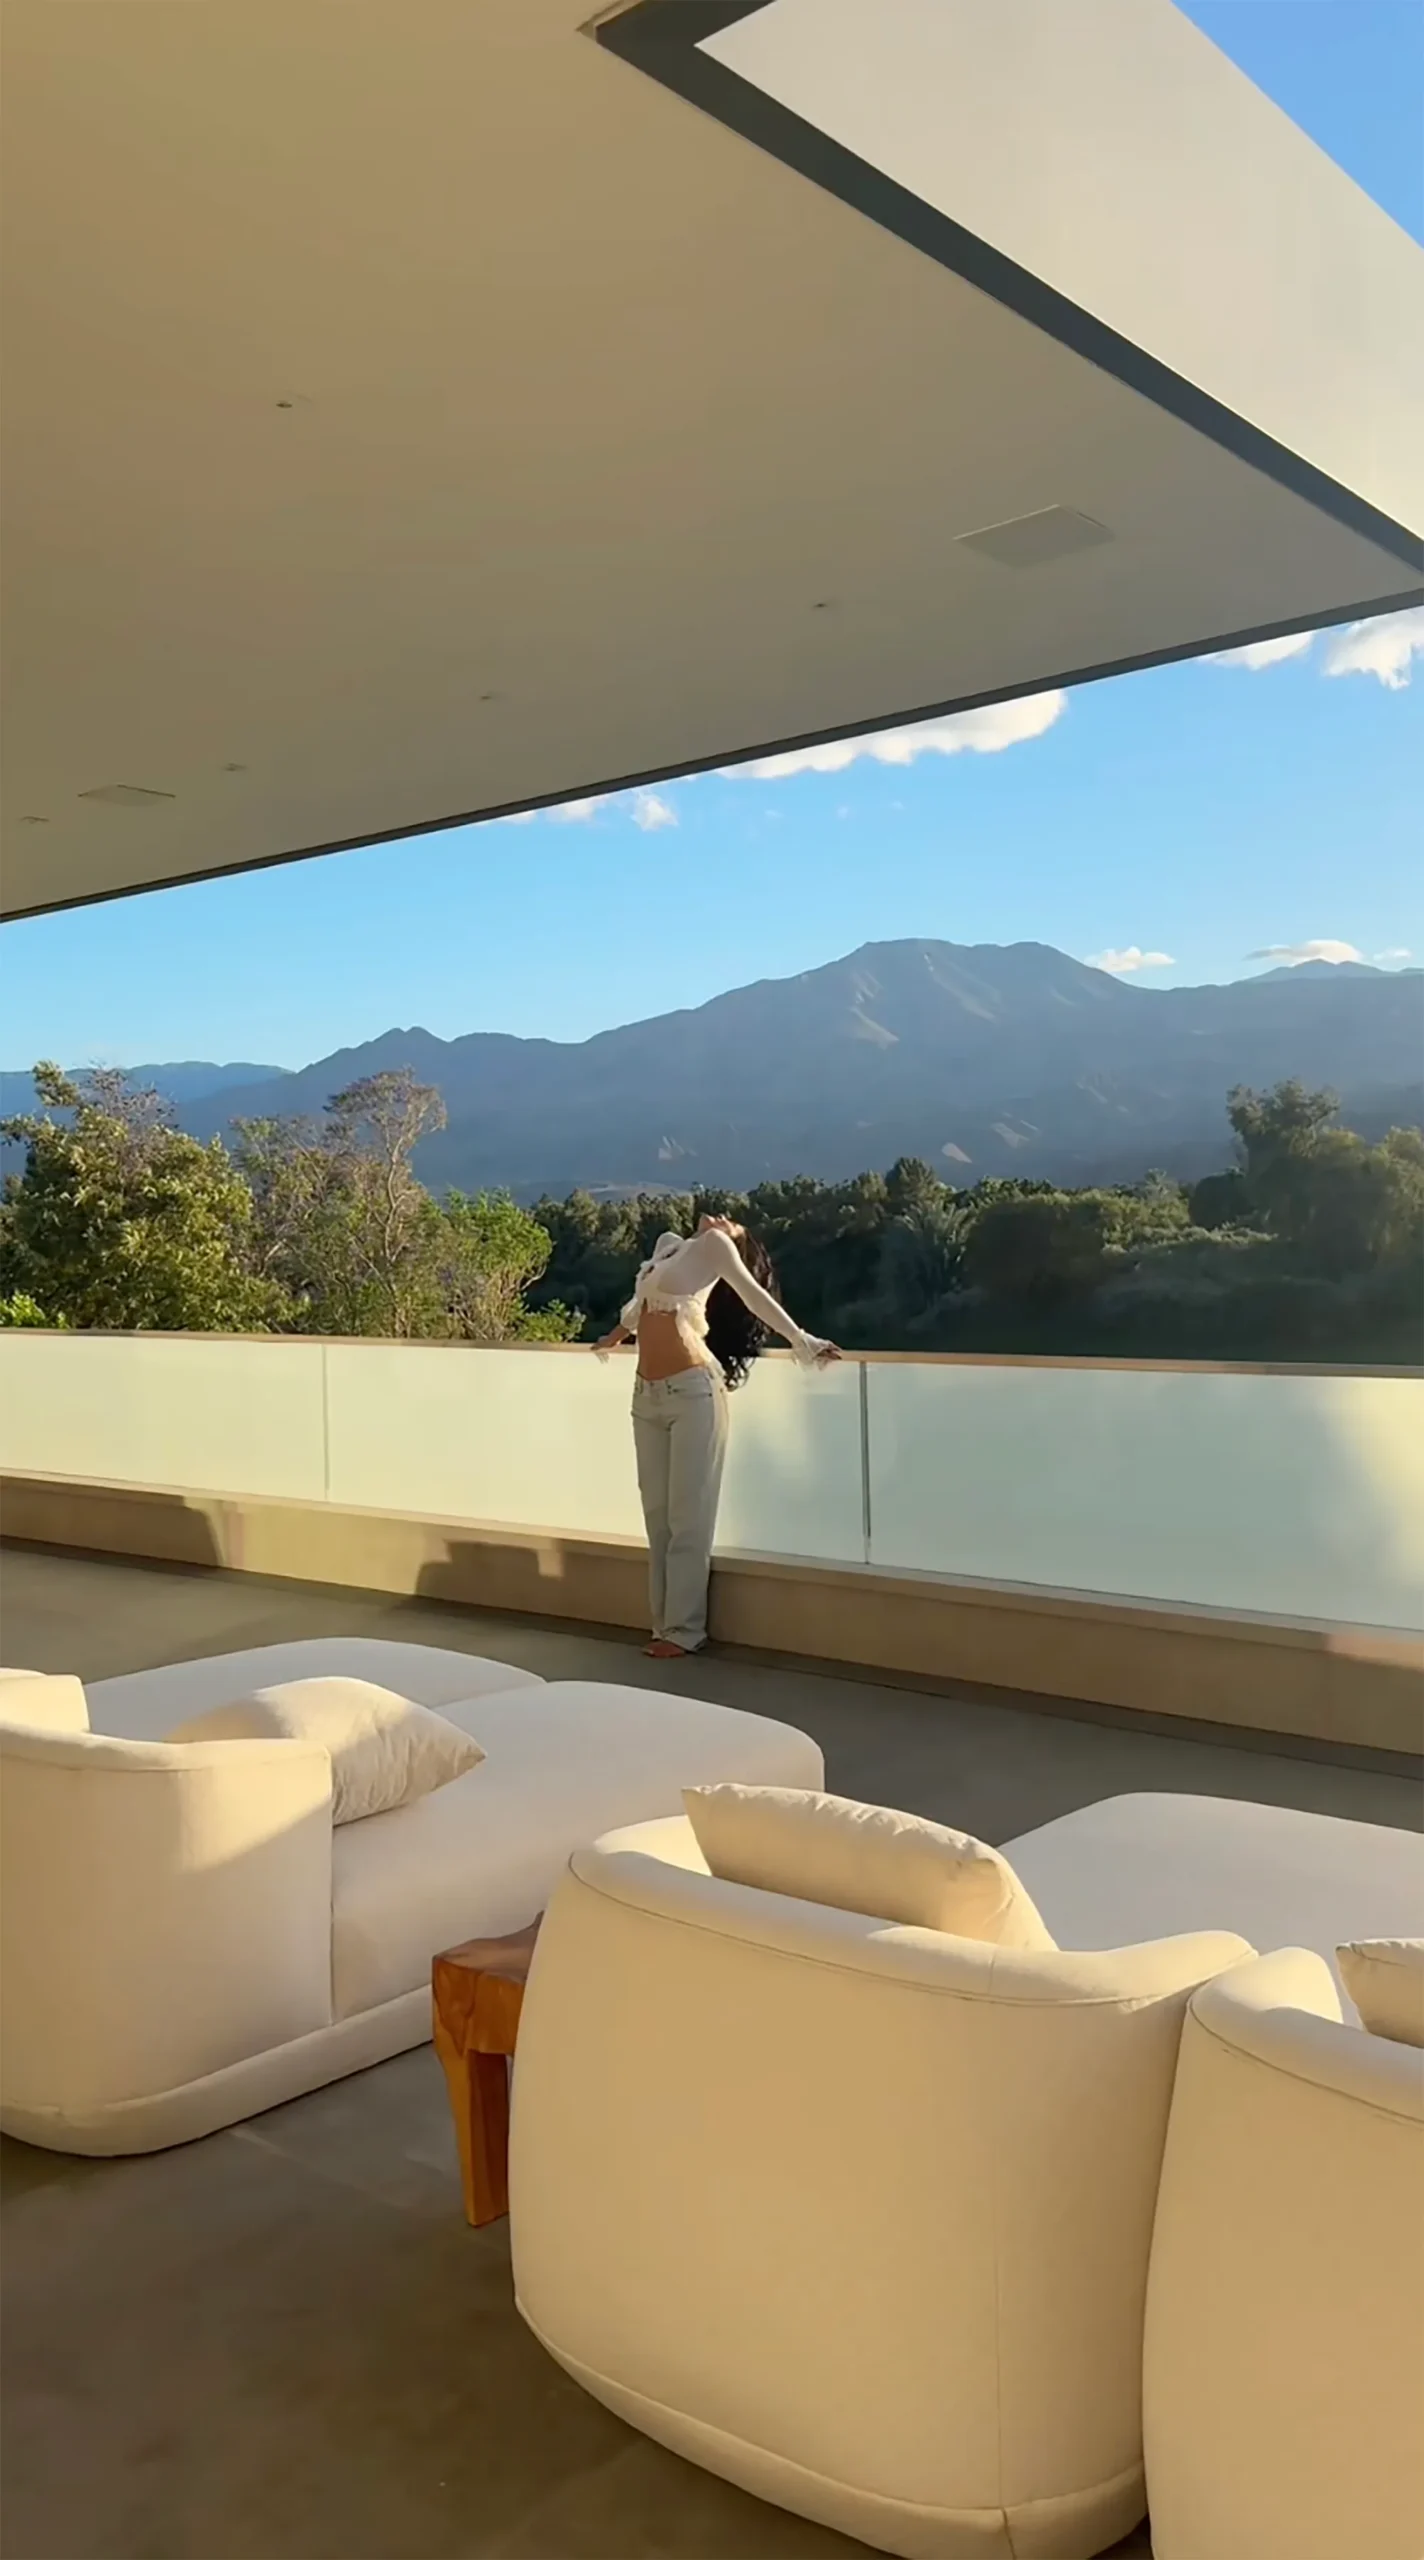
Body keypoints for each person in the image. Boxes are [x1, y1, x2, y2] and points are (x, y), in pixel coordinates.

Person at [595, 1216, 839, 1658]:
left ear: (734, 1241)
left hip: (693, 1393)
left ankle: (683, 1631)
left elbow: (753, 1296)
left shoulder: (713, 1246)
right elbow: (640, 1306)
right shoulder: (670, 1245)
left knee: (690, 1516)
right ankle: (661, 1625)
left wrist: (803, 1340)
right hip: (646, 1395)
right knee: (658, 1515)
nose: (725, 1218)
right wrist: (614, 1337)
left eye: (736, 1225)